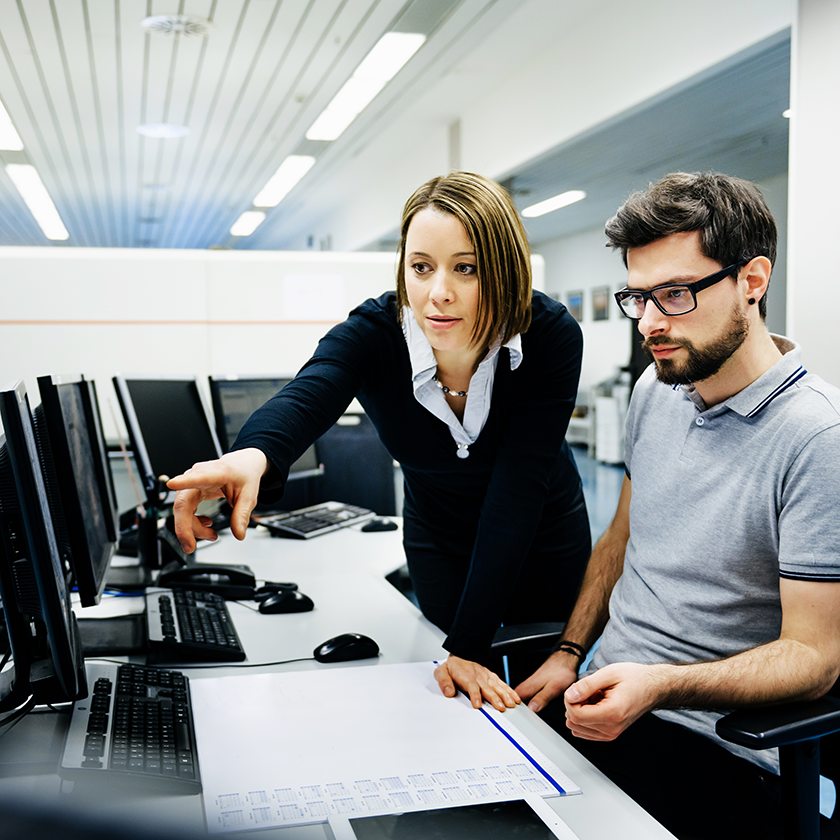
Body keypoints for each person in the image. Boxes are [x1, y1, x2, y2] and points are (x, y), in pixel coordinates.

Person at [168, 171, 591, 712]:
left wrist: (470, 644)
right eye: (421, 267)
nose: (437, 292)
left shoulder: (549, 335)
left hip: (539, 534)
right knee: (457, 699)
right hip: (439, 535)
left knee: (540, 698)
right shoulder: (374, 333)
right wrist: (253, 455)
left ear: (504, 270)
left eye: (466, 268)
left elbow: (518, 490)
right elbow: (309, 392)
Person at [515, 171, 840, 839]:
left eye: (676, 294)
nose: (652, 323)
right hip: (601, 699)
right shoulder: (655, 392)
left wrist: (661, 685)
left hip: (715, 746)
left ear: (752, 281)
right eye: (639, 297)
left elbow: (814, 659)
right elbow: (622, 538)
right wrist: (571, 651)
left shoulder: (817, 438)